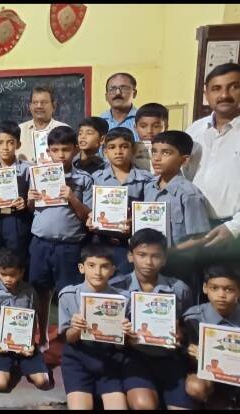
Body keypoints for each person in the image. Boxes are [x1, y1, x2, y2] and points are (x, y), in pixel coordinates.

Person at [108, 229, 194, 409]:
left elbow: (189, 331)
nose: (148, 262)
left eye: (156, 256)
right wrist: (123, 337)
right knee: (143, 405)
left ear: (164, 259)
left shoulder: (179, 289)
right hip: (135, 357)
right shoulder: (114, 289)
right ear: (130, 256)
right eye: (142, 255)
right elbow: (107, 336)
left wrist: (182, 335)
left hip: (170, 358)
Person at [27, 126, 93, 352]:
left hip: (69, 245)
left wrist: (72, 198)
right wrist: (30, 199)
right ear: (48, 151)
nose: (61, 155)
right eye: (55, 150)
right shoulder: (38, 175)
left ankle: (70, 339)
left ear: (75, 149)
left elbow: (88, 216)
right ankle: (43, 336)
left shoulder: (83, 179)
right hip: (41, 243)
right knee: (40, 291)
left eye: (66, 149)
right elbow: (32, 210)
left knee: (69, 293)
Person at [57, 243, 131, 409]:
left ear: (112, 270)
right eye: (91, 265)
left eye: (104, 266)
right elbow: (68, 339)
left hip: (110, 359)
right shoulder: (68, 295)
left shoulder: (123, 299)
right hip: (78, 358)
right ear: (81, 268)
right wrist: (76, 328)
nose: (97, 272)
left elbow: (123, 345)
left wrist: (125, 333)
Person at [183, 63, 240, 271]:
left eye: (234, 87)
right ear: (206, 94)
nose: (224, 95)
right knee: (196, 287)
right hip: (194, 230)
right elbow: (182, 177)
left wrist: (234, 228)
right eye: (216, 88)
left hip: (232, 232)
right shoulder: (194, 131)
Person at [144, 131, 211, 294]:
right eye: (154, 152)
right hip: (150, 264)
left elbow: (201, 238)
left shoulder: (189, 194)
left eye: (166, 153)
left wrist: (170, 252)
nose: (157, 158)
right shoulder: (149, 187)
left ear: (184, 160)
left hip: (180, 268)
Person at [0, 249, 51, 392]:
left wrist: (31, 343)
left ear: (21, 272)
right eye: (3, 274)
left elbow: (33, 318)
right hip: (0, 345)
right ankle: (9, 366)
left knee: (43, 382)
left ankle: (25, 364)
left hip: (24, 344)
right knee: (0, 384)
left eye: (12, 275)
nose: (8, 279)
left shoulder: (29, 292)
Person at [89, 127, 153, 274]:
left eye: (124, 146)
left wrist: (133, 221)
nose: (118, 152)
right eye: (112, 147)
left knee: (126, 281)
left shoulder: (146, 179)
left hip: (131, 243)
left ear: (133, 149)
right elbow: (90, 208)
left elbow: (149, 211)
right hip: (101, 241)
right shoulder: (96, 178)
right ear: (105, 152)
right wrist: (90, 217)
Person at [183, 264, 240, 408]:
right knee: (195, 386)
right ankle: (212, 401)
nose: (221, 295)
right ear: (205, 288)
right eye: (214, 288)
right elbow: (184, 356)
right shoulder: (193, 318)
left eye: (229, 289)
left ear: (238, 291)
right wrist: (191, 352)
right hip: (209, 377)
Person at [0, 121, 32, 273]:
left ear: (18, 144)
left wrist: (25, 202)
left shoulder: (27, 169)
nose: (5, 147)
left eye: (10, 142)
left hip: (17, 220)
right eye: (0, 142)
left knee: (17, 258)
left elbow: (33, 197)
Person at [18, 86, 69, 163]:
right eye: (35, 103)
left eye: (44, 102)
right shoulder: (19, 130)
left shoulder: (64, 130)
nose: (39, 106)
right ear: (30, 106)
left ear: (54, 106)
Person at [100, 72, 139, 140]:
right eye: (112, 89)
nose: (118, 93)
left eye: (124, 88)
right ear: (106, 96)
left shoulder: (144, 121)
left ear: (134, 93)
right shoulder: (99, 123)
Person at [133, 103, 168, 172]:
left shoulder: (172, 152)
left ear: (166, 128)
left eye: (156, 126)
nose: (149, 131)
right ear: (135, 128)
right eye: (143, 126)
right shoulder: (130, 151)